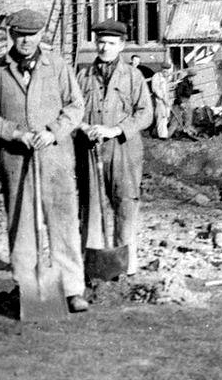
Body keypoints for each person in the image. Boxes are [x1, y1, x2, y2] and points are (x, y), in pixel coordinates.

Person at [0, 8, 89, 313]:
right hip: (15, 156)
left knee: (62, 220)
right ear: (11, 35)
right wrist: (14, 134)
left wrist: (53, 132)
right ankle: (27, 286)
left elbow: (75, 105)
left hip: (55, 156)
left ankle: (73, 288)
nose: (26, 41)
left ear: (41, 35)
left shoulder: (57, 66)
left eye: (32, 35)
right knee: (21, 223)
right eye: (20, 35)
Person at [75, 19, 153, 277]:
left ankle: (126, 266)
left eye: (110, 43)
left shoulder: (133, 76)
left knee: (125, 205)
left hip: (123, 149)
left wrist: (115, 130)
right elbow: (71, 111)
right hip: (90, 149)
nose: (104, 48)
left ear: (121, 46)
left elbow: (145, 114)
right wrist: (84, 127)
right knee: (91, 206)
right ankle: (94, 264)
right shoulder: (82, 75)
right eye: (100, 43)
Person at [150, 60, 173, 139]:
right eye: (164, 69)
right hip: (160, 101)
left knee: (166, 117)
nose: (165, 71)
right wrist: (162, 98)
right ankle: (162, 136)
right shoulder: (157, 76)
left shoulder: (167, 78)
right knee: (161, 117)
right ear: (161, 69)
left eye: (167, 70)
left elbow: (168, 90)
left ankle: (159, 133)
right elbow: (155, 89)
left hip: (166, 101)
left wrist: (168, 100)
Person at [172, 68, 198, 136]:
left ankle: (187, 130)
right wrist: (181, 103)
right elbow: (177, 93)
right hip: (181, 101)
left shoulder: (190, 83)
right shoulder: (183, 83)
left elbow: (188, 92)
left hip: (187, 100)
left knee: (188, 116)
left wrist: (197, 91)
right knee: (177, 119)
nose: (193, 78)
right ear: (189, 76)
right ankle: (169, 134)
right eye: (193, 77)